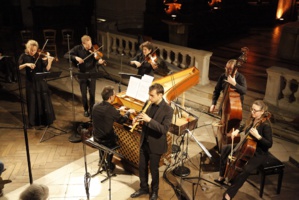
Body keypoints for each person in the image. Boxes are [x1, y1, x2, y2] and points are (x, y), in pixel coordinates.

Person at [214, 100, 273, 200]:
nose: (252, 112)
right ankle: (222, 176)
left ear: (262, 111)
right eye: (252, 109)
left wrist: (258, 137)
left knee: (246, 170)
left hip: (259, 153)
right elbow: (245, 125)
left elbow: (269, 144)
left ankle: (229, 194)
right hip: (247, 146)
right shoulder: (253, 118)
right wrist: (237, 130)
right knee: (225, 148)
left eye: (255, 110)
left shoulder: (266, 125)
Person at [130, 83, 174, 200]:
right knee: (142, 167)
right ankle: (143, 187)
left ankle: (154, 191)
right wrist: (137, 119)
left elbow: (164, 129)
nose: (149, 98)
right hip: (144, 141)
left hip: (156, 144)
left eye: (152, 95)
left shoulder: (168, 110)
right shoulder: (148, 103)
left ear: (160, 95)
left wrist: (149, 120)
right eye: (149, 95)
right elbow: (142, 114)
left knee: (153, 170)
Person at [92, 85, 135, 171]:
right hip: (105, 140)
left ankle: (101, 160)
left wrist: (119, 110)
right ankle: (109, 164)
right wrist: (128, 112)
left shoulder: (96, 105)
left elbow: (108, 113)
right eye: (114, 95)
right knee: (114, 137)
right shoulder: (110, 109)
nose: (115, 97)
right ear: (111, 97)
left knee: (104, 134)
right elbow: (122, 120)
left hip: (96, 136)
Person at [18, 40, 55, 127]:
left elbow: (47, 69)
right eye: (31, 50)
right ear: (27, 48)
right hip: (30, 82)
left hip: (41, 82)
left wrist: (49, 61)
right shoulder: (24, 56)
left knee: (43, 100)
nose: (33, 52)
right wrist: (26, 64)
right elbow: (19, 67)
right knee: (32, 101)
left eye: (34, 50)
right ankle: (33, 121)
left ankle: (45, 121)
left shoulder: (39, 56)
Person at [69, 35, 106, 117]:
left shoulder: (94, 49)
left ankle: (92, 109)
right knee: (84, 94)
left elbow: (96, 61)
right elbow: (67, 55)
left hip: (92, 73)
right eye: (88, 45)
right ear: (83, 43)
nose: (90, 46)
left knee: (92, 93)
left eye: (91, 43)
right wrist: (76, 57)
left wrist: (99, 62)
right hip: (82, 73)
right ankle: (85, 109)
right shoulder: (78, 48)